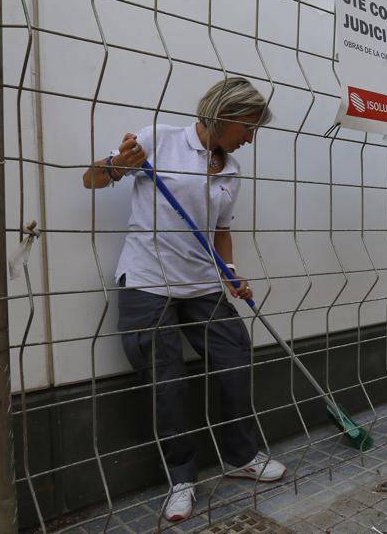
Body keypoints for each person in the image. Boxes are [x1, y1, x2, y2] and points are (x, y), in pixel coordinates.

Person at [81, 77, 285, 522]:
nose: (251, 138)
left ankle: (241, 457)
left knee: (234, 353)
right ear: (225, 114)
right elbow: (91, 178)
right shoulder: (160, 139)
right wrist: (119, 163)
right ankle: (181, 478)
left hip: (201, 283)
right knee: (166, 380)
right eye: (249, 127)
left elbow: (221, 231)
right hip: (147, 281)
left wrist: (230, 274)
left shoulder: (230, 168)